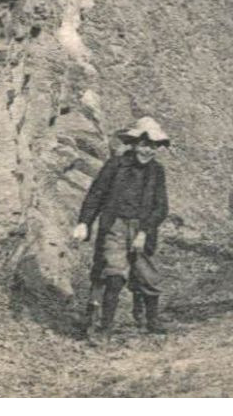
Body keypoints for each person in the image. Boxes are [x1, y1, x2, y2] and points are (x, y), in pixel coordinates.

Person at [73, 117, 171, 343]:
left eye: (153, 147)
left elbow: (161, 207)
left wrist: (144, 232)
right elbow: (96, 194)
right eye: (144, 145)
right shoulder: (115, 165)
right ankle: (104, 327)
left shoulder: (157, 172)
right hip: (115, 224)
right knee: (114, 274)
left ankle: (151, 321)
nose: (147, 151)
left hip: (142, 228)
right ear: (134, 144)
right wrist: (84, 222)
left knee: (147, 276)